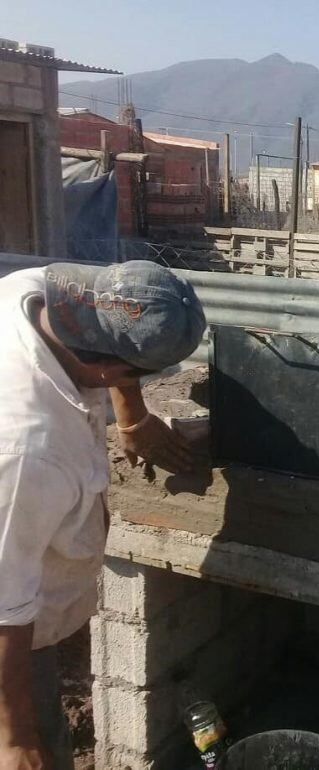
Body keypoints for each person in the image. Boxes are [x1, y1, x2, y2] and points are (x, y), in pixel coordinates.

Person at [0, 260, 206, 769]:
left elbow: (111, 333)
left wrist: (131, 414)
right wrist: (13, 739)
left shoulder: (39, 291)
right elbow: (2, 606)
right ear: (108, 370)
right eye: (130, 377)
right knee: (36, 745)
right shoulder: (28, 451)